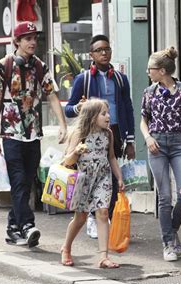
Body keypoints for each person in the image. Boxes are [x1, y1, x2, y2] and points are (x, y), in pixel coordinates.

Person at [0, 21, 67, 247]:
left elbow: (52, 95)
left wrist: (63, 124)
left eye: (35, 38)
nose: (33, 42)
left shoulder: (40, 66)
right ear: (17, 42)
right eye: (28, 38)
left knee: (28, 179)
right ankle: (28, 225)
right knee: (19, 180)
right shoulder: (3, 66)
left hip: (33, 133)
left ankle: (13, 227)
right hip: (11, 134)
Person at [64, 34, 135, 239]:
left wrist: (130, 141)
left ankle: (105, 215)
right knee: (89, 176)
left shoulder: (121, 79)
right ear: (91, 55)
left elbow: (128, 109)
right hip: (90, 134)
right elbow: (69, 109)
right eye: (99, 50)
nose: (104, 53)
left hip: (114, 131)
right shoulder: (83, 79)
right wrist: (80, 106)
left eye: (107, 49)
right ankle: (92, 219)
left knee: (111, 177)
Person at [140, 47, 181, 262]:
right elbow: (143, 121)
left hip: (179, 144)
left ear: (162, 71)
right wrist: (148, 138)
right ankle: (168, 243)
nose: (148, 72)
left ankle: (171, 230)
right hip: (156, 144)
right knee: (165, 196)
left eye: (151, 69)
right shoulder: (149, 92)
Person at [60, 98, 124, 268]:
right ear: (92, 116)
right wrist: (76, 151)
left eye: (108, 113)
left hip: (103, 176)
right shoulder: (79, 133)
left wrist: (119, 177)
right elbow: (67, 160)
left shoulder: (108, 134)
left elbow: (111, 157)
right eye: (103, 113)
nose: (108, 116)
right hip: (84, 179)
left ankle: (103, 256)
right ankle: (66, 247)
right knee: (80, 217)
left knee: (103, 212)